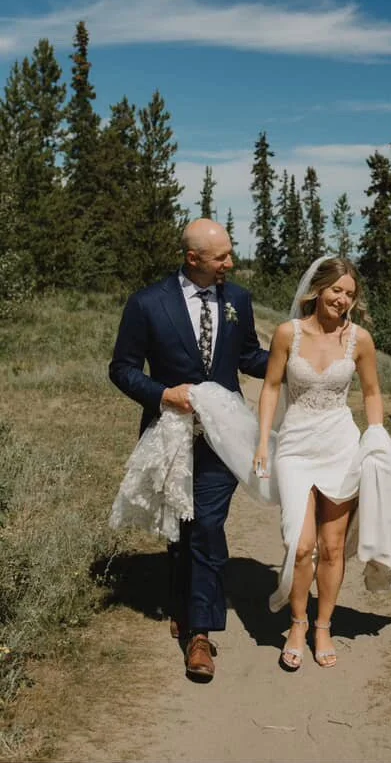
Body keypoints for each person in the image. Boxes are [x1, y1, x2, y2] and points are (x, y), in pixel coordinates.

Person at [109, 219, 268, 682]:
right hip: (170, 433)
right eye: (222, 257)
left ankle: (200, 632)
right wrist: (163, 395)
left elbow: (248, 357)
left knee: (207, 522)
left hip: (224, 436)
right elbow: (121, 369)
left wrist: (294, 355)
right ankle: (182, 599)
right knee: (181, 524)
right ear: (193, 257)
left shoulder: (236, 299)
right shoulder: (146, 303)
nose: (231, 264)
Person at [252, 256, 386, 671]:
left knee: (331, 547)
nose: (343, 300)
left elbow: (372, 393)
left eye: (350, 294)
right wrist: (262, 443)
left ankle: (322, 626)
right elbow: (272, 387)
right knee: (301, 542)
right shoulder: (287, 334)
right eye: (336, 291)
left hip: (341, 445)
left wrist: (376, 437)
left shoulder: (359, 340)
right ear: (317, 290)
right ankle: (296, 623)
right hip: (295, 446)